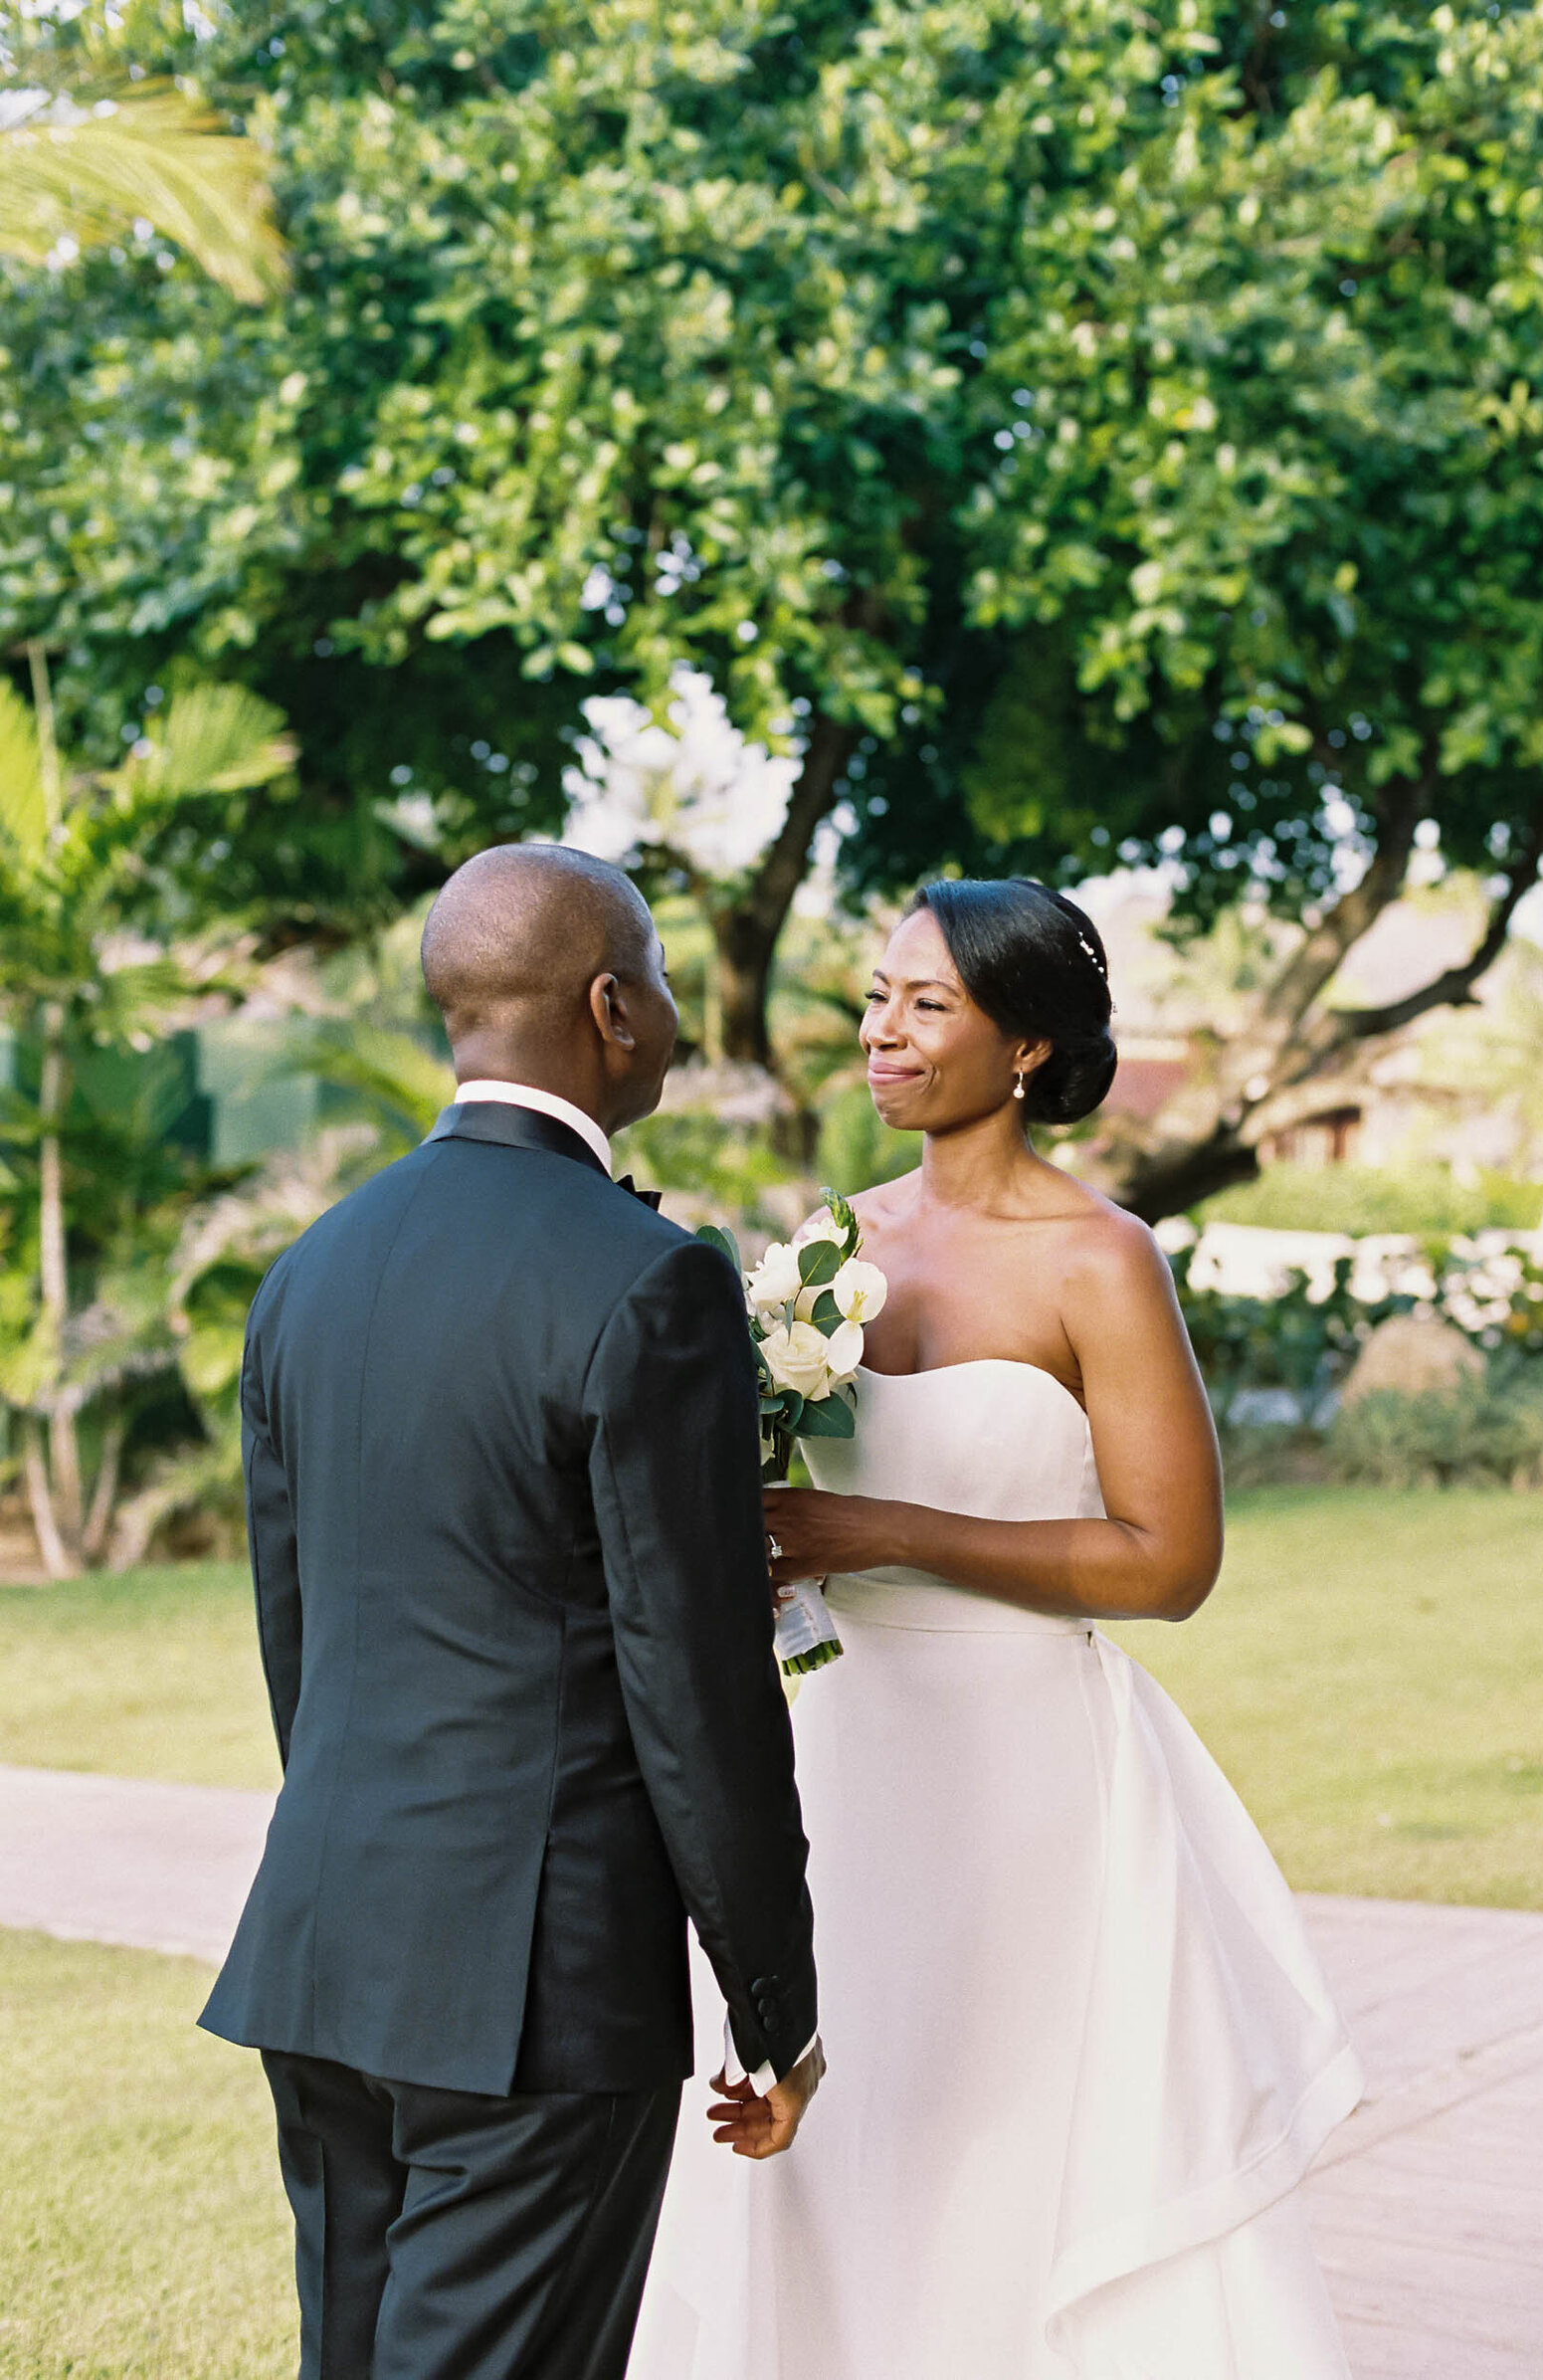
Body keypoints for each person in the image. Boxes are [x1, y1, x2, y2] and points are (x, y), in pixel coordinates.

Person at [630, 877, 1362, 2380]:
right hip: (836, 1760)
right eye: (877, 1001)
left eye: (925, 1006)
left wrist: (881, 1533)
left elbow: (1170, 1561)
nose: (881, 1035)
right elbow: (779, 1493)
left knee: (1012, 2147)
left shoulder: (1103, 1260)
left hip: (1028, 1781)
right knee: (842, 2145)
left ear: (1025, 1047)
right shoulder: (829, 1242)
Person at [201, 844, 824, 2380]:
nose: (673, 1017)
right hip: (542, 1996)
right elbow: (697, 1684)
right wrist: (775, 2006)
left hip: (331, 1948)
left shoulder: (306, 1272)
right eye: (663, 984)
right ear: (611, 1006)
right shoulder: (649, 1282)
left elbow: (303, 1645)